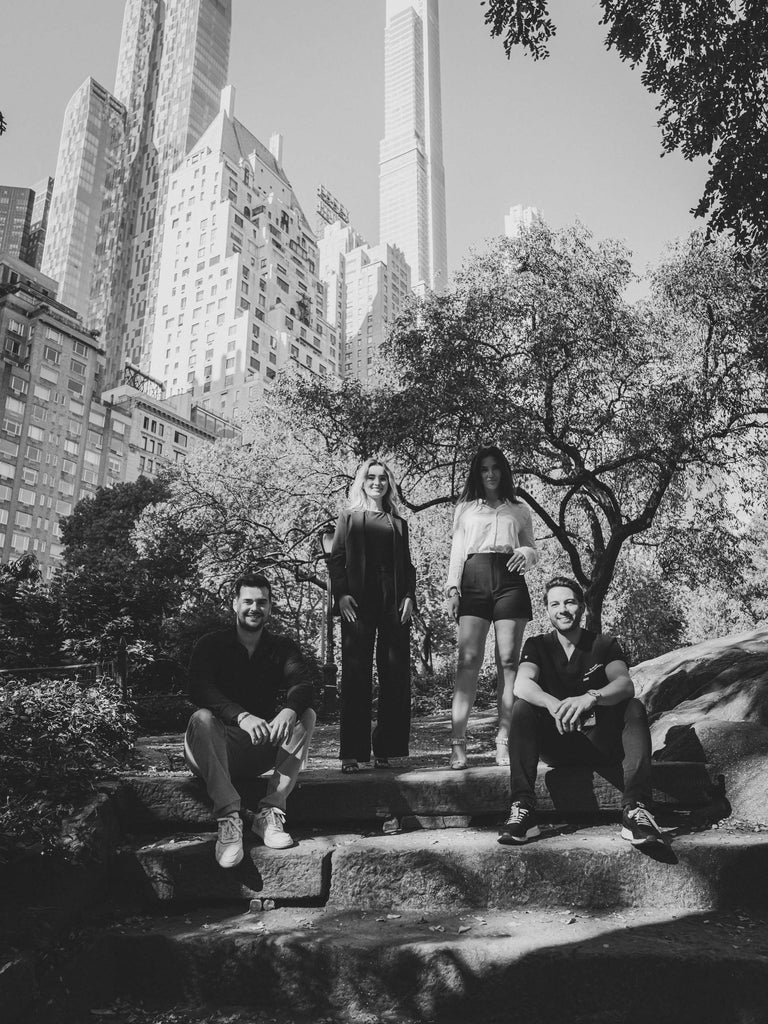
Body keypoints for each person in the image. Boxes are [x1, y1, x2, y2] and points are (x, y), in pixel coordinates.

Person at [499, 576, 664, 846]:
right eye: (555, 604)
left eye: (569, 602)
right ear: (547, 610)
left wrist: (591, 698)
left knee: (632, 706)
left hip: (601, 744)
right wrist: (553, 704)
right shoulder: (537, 645)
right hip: (556, 744)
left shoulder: (604, 644)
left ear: (582, 606)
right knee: (522, 708)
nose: (562, 609)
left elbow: (624, 684)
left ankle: (637, 810)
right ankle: (523, 809)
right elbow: (522, 684)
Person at [185, 573, 316, 868]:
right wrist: (240, 716)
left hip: (259, 747)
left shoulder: (282, 647)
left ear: (269, 607)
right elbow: (198, 688)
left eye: (261, 602)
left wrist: (289, 709)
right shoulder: (211, 644)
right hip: (213, 746)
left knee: (305, 714)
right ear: (235, 604)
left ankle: (269, 813)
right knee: (201, 718)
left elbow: (304, 684)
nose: (254, 608)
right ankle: (229, 819)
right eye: (248, 601)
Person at [445, 446, 538, 769]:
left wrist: (525, 554)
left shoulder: (519, 509)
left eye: (495, 468)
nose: (490, 474)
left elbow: (532, 548)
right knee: (467, 661)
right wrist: (452, 588)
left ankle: (505, 741)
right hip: (473, 579)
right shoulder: (465, 509)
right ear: (477, 473)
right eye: (484, 468)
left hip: (510, 582)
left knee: (509, 662)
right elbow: (458, 550)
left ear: (503, 471)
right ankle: (458, 743)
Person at [329, 457, 416, 773]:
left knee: (394, 674)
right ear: (362, 482)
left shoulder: (399, 523)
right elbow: (336, 560)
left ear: (389, 483)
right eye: (371, 477)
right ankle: (352, 753)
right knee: (356, 675)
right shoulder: (349, 518)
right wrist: (341, 596)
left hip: (393, 603)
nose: (377, 482)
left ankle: (386, 749)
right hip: (358, 603)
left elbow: (407, 565)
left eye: (382, 477)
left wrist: (409, 597)